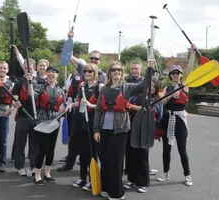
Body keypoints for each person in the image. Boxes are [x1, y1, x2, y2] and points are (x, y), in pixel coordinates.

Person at [93, 61, 153, 199]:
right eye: (114, 70)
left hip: (120, 130)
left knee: (115, 161)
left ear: (121, 72)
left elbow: (144, 86)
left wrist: (149, 69)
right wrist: (96, 130)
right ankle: (106, 188)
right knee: (106, 160)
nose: (116, 72)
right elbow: (97, 110)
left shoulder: (126, 87)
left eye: (119, 70)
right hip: (104, 129)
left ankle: (117, 193)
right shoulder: (104, 89)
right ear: (109, 72)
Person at [157, 44, 196, 187]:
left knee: (182, 149)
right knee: (166, 149)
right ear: (170, 75)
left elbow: (190, 71)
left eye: (177, 73)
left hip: (180, 119)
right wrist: (170, 96)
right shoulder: (167, 88)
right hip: (169, 118)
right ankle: (165, 172)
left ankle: (187, 175)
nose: (175, 75)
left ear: (180, 75)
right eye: (173, 73)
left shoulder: (185, 85)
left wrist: (192, 53)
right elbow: (162, 103)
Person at [66, 63, 104, 191]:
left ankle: (93, 180)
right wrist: (73, 105)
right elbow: (79, 102)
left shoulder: (100, 87)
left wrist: (91, 105)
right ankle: (82, 178)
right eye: (85, 71)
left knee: (92, 153)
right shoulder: (82, 86)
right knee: (83, 153)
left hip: (93, 123)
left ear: (95, 73)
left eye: (90, 71)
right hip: (81, 122)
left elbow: (103, 107)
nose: (87, 73)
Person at [123, 77, 163, 193]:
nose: (150, 88)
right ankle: (132, 179)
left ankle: (143, 182)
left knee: (142, 156)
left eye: (153, 86)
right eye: (148, 85)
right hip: (132, 127)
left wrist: (129, 105)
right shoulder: (137, 95)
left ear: (155, 89)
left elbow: (147, 110)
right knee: (130, 154)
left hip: (145, 129)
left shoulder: (155, 99)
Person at [124, 61, 158, 176]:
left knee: (143, 148)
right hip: (129, 118)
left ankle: (144, 170)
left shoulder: (144, 82)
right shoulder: (126, 81)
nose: (134, 71)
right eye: (132, 68)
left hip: (142, 118)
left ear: (140, 70)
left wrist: (150, 69)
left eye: (136, 69)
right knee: (130, 147)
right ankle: (130, 172)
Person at [33, 65, 65, 186]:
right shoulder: (41, 87)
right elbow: (32, 95)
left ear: (57, 74)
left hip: (55, 121)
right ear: (46, 74)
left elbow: (64, 103)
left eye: (53, 72)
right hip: (43, 121)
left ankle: (47, 173)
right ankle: (37, 174)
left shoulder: (61, 89)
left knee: (51, 149)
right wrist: (30, 83)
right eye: (49, 72)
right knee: (43, 149)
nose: (51, 74)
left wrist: (64, 109)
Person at [11, 58, 39, 177]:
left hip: (35, 118)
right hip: (22, 117)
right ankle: (20, 166)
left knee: (34, 144)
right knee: (20, 143)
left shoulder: (38, 82)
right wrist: (15, 102)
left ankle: (33, 166)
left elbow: (35, 95)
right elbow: (15, 96)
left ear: (34, 68)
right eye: (26, 68)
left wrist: (30, 82)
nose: (28, 70)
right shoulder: (18, 83)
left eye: (30, 68)